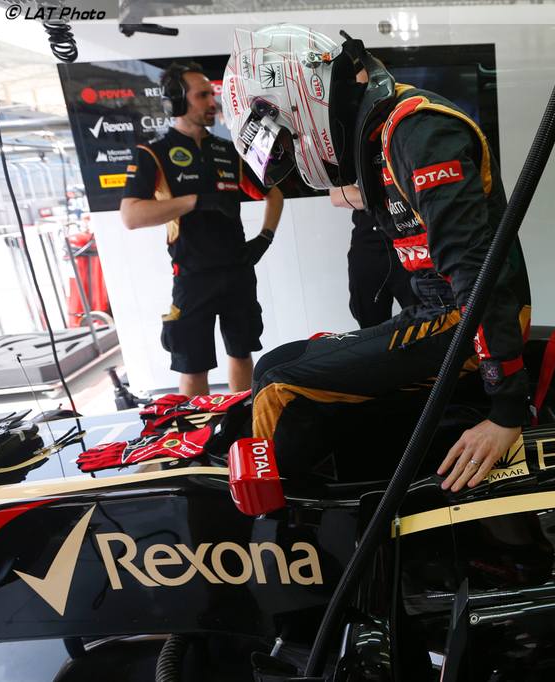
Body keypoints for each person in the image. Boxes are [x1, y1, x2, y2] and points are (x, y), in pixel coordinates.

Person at [222, 26, 530, 492]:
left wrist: (507, 411)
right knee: (270, 366)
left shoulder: (420, 132)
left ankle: (285, 521)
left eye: (288, 139)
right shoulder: (382, 134)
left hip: (467, 319)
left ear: (302, 100)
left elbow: (475, 274)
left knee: (279, 386)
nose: (292, 151)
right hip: (439, 312)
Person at [120, 61, 284, 397]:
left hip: (238, 270)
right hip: (192, 276)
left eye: (212, 94)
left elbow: (274, 194)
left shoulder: (229, 151)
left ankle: (241, 419)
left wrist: (264, 238)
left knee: (242, 351)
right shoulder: (153, 153)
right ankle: (198, 429)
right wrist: (195, 201)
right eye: (202, 95)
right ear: (177, 102)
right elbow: (132, 215)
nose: (212, 102)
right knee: (193, 365)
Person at [329, 184, 418, 328]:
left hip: (411, 241)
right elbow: (338, 196)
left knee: (427, 320)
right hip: (368, 246)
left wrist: (369, 196)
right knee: (370, 326)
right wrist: (397, 195)